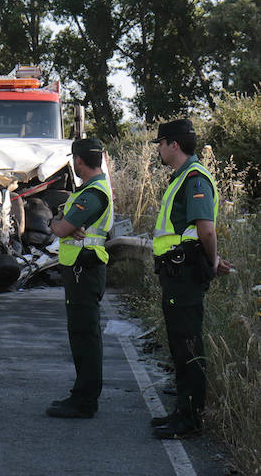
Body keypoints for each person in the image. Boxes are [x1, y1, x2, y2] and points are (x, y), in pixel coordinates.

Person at [149, 119, 232, 439]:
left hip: (184, 273)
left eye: (160, 142)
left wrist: (211, 261)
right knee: (179, 341)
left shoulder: (194, 178)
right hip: (177, 271)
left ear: (174, 145)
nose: (157, 148)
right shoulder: (183, 177)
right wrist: (211, 259)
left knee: (187, 343)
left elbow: (205, 229)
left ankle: (191, 419)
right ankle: (183, 410)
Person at [46, 137, 113, 419]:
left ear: (79, 161)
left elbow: (61, 228)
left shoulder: (92, 194)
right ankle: (82, 395)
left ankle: (85, 400)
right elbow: (66, 223)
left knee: (85, 335)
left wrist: (58, 222)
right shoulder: (91, 190)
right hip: (81, 269)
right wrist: (64, 222)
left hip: (84, 271)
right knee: (82, 334)